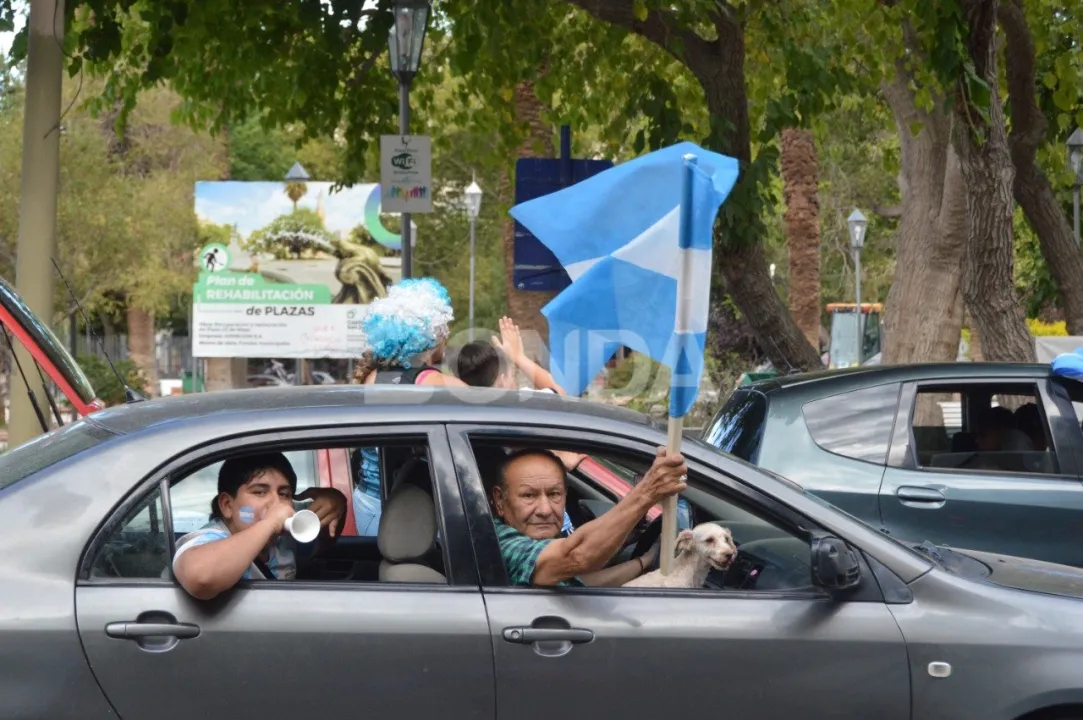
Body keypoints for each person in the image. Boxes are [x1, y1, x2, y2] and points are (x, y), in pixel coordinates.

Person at [455, 317, 693, 534]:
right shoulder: (522, 411)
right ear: (502, 379)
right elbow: (560, 396)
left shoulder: (474, 418)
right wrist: (520, 357)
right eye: (510, 372)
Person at [351, 278, 468, 534]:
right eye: (443, 328)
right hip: (410, 508)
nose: (447, 335)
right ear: (431, 336)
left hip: (368, 500)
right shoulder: (432, 382)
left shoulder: (374, 376)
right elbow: (489, 411)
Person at [492, 446, 687, 587]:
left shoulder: (539, 538)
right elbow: (576, 556)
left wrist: (634, 550)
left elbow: (581, 579)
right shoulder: (498, 541)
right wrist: (647, 492)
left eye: (554, 494)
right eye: (528, 496)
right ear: (500, 500)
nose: (545, 510)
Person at [173, 453, 347, 600]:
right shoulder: (210, 539)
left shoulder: (282, 539)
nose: (276, 503)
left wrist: (337, 501)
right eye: (260, 492)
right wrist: (269, 523)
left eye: (284, 494)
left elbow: (324, 545)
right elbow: (200, 577)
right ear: (227, 505)